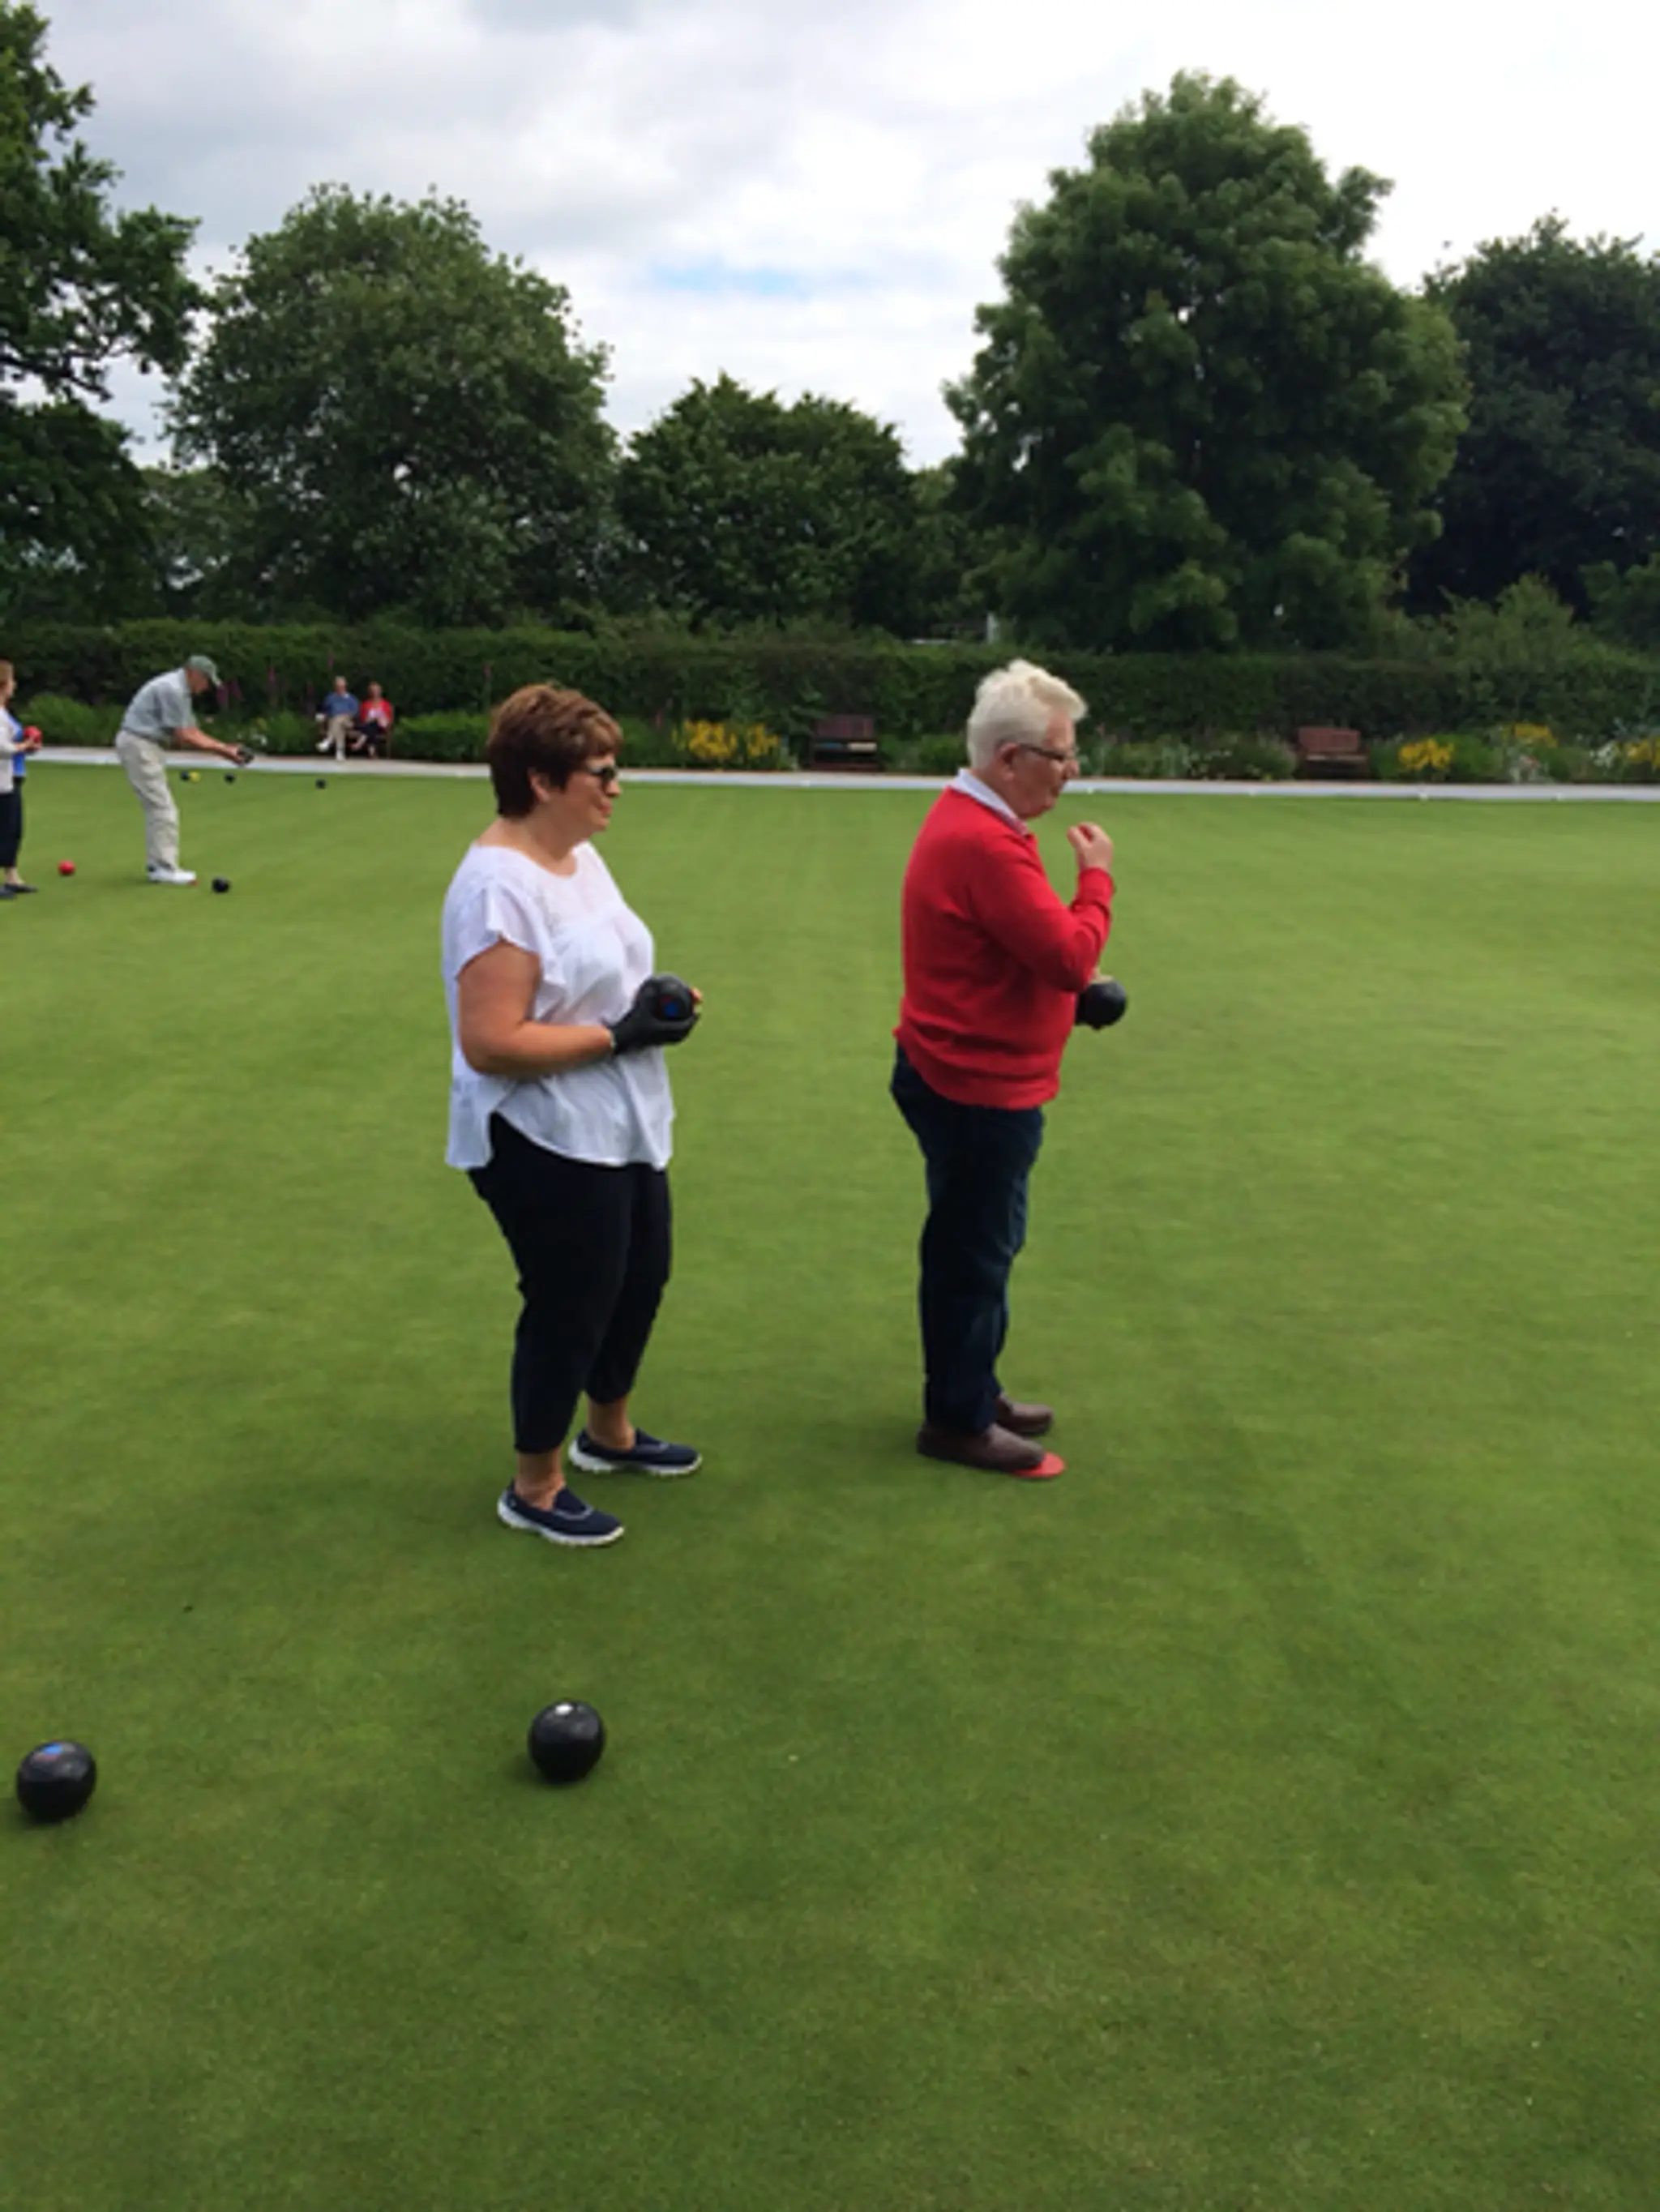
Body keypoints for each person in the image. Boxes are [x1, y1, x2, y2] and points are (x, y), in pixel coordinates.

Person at [442, 683, 704, 1550]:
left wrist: (657, 1005)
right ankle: (536, 1483)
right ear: (543, 780)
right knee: (571, 1299)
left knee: (641, 1274)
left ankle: (609, 1434)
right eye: (602, 772)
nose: (616, 786)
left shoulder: (578, 855)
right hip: (538, 1130)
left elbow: (603, 967)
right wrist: (621, 1033)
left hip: (620, 1115)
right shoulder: (498, 888)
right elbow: (491, 1040)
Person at [891, 659, 1116, 1478]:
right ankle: (956, 1417)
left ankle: (973, 1389)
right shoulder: (986, 841)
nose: (1071, 770)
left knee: (982, 1242)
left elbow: (1014, 951)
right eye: (1060, 754)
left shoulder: (974, 822)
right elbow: (1067, 953)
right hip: (975, 1083)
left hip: (964, 1070)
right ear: (1009, 758)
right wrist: (1096, 878)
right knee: (973, 1252)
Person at [113, 655, 249, 887]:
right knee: (162, 807)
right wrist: (223, 751)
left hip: (147, 745)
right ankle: (163, 868)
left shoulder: (179, 690)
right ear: (193, 673)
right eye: (206, 681)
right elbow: (184, 736)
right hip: (139, 744)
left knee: (160, 805)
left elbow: (191, 730)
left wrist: (225, 748)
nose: (206, 688)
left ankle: (160, 865)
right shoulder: (173, 690)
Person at [0, 661, 43, 898]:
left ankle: (12, 877)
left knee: (12, 828)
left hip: (11, 776)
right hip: (2, 780)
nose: (14, 685)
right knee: (5, 827)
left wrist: (26, 747)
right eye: (11, 680)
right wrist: (23, 746)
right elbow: (2, 748)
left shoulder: (4, 712)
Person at [316, 678, 359, 761]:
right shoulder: (330, 698)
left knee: (339, 719)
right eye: (338, 687)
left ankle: (329, 741)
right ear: (335, 687)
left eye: (341, 687)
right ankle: (340, 753)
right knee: (339, 725)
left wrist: (344, 716)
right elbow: (326, 711)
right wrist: (323, 716)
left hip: (348, 722)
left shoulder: (351, 699)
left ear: (345, 687)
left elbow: (354, 713)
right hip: (333, 722)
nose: (340, 689)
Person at [353, 681, 394, 759]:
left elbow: (389, 719)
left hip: (382, 726)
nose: (375, 693)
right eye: (373, 691)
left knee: (372, 726)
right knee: (371, 727)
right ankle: (372, 751)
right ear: (370, 692)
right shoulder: (366, 704)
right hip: (369, 726)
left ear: (380, 692)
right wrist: (370, 719)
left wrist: (381, 719)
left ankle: (361, 741)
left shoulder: (386, 704)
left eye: (376, 691)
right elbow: (363, 720)